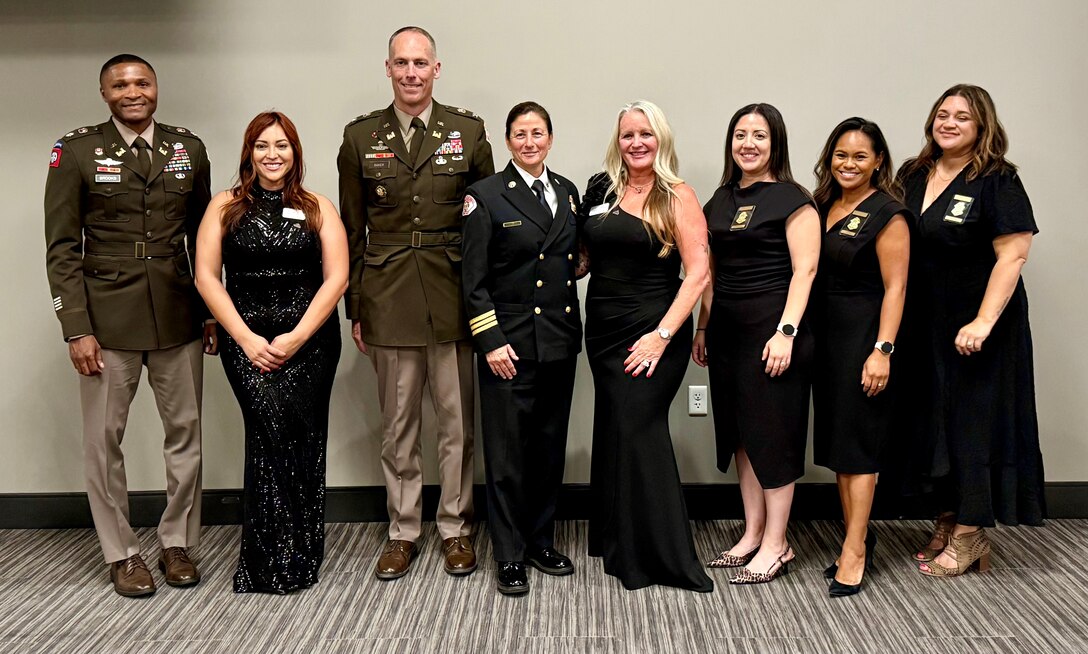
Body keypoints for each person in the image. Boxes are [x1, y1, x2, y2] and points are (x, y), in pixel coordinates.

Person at [44, 54, 215, 597]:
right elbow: (63, 249)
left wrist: (211, 310)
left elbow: (204, 240)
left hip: (178, 312)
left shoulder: (189, 149)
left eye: (142, 82)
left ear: (157, 87)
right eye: (121, 85)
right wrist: (75, 327)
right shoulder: (75, 152)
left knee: (185, 434)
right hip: (106, 318)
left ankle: (176, 542)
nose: (133, 92)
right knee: (103, 442)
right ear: (104, 93)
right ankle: (122, 553)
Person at [337, 26, 495, 580]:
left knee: (457, 426)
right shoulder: (360, 138)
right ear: (387, 69)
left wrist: (485, 306)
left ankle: (455, 527)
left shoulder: (468, 132)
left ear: (436, 68)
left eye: (420, 63)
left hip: (453, 297)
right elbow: (352, 231)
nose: (410, 72)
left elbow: (485, 230)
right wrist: (357, 307)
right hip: (386, 297)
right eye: (401, 63)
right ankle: (403, 530)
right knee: (398, 426)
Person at [194, 112, 347, 594]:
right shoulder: (225, 207)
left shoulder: (318, 206)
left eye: (281, 145)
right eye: (262, 146)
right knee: (268, 434)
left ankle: (301, 549)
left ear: (295, 153)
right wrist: (244, 338)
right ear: (249, 153)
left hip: (311, 343)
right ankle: (267, 558)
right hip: (248, 344)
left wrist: (298, 336)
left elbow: (337, 278)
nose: (272, 154)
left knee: (304, 436)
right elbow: (205, 277)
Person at [897, 84, 1044, 577]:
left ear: (982, 126)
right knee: (934, 421)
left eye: (962, 117)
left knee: (972, 425)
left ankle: (971, 533)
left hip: (979, 326)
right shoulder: (913, 174)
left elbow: (1014, 254)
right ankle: (946, 517)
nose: (950, 123)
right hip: (924, 323)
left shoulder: (997, 179)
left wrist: (982, 321)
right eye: (942, 114)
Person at [581, 100, 713, 592]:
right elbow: (587, 258)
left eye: (645, 134)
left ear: (661, 139)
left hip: (652, 330)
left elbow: (698, 273)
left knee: (640, 431)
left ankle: (663, 558)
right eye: (627, 135)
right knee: (615, 429)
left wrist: (661, 337)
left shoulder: (677, 195)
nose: (636, 143)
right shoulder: (605, 191)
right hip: (604, 331)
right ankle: (619, 542)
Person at [693, 103, 820, 585]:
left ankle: (777, 543)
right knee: (742, 436)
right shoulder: (720, 200)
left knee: (774, 437)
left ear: (776, 144)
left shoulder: (794, 199)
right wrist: (702, 329)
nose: (749, 143)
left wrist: (786, 331)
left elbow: (805, 270)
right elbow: (710, 274)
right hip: (727, 333)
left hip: (774, 333)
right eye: (741, 134)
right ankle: (752, 533)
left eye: (760, 136)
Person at [461, 102, 582, 596]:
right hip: (508, 345)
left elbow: (572, 259)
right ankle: (509, 554)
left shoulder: (569, 193)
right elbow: (472, 281)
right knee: (509, 454)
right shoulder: (484, 196)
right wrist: (490, 341)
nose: (529, 142)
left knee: (548, 450)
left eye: (538, 133)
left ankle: (539, 540)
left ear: (550, 138)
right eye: (519, 134)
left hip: (557, 340)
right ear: (508, 142)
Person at [809, 118, 910, 596]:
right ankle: (854, 537)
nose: (849, 164)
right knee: (839, 452)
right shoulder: (824, 203)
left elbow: (896, 289)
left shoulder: (888, 214)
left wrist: (882, 351)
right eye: (841, 155)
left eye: (860, 156)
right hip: (824, 342)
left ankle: (854, 551)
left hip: (864, 341)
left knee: (859, 450)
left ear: (878, 162)